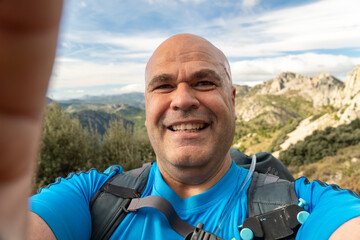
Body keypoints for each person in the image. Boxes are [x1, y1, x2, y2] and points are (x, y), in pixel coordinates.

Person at [1, 1, 359, 240]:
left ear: (232, 100)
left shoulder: (305, 205)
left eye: (204, 82)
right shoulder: (92, 197)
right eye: (164, 86)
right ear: (146, 106)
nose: (183, 99)